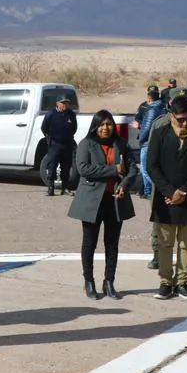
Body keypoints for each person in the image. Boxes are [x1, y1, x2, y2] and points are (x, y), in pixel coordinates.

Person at [147, 96, 187, 301]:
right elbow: (152, 166)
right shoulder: (160, 133)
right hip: (165, 199)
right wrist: (169, 192)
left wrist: (183, 191)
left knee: (186, 244)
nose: (186, 123)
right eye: (181, 119)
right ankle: (166, 282)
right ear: (172, 115)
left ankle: (182, 282)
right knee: (165, 243)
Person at [70, 110, 138, 301]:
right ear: (95, 126)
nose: (105, 128)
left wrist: (124, 184)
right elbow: (84, 169)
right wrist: (114, 170)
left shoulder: (121, 144)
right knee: (89, 243)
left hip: (115, 199)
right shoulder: (86, 144)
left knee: (112, 243)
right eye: (101, 125)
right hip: (92, 201)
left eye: (109, 124)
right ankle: (89, 281)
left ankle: (109, 281)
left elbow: (132, 168)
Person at [40, 96, 77, 196]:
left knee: (66, 166)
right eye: (62, 103)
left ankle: (64, 188)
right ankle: (50, 188)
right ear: (57, 103)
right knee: (52, 166)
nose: (65, 105)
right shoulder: (51, 114)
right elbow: (44, 128)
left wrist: (67, 136)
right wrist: (50, 138)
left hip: (67, 144)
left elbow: (74, 128)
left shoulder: (71, 114)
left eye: (67, 103)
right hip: (55, 144)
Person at [136, 86, 166, 201]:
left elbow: (146, 128)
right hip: (156, 141)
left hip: (148, 142)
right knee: (151, 168)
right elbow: (138, 118)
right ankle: (149, 191)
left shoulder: (152, 109)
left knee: (145, 169)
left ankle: (154, 191)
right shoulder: (161, 107)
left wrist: (141, 140)